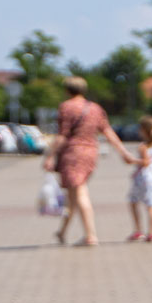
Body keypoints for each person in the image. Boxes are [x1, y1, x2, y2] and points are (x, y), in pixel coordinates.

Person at [44, 76, 134, 246]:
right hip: (91, 153)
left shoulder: (66, 107)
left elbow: (62, 135)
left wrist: (49, 156)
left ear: (67, 90)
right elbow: (107, 131)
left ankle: (90, 236)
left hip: (72, 154)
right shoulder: (95, 108)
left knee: (80, 192)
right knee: (73, 195)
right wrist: (124, 153)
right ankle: (62, 232)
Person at [126, 115, 152, 242]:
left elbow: (146, 162)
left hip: (143, 178)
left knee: (133, 202)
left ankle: (138, 230)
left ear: (143, 130)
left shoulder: (143, 147)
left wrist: (132, 161)